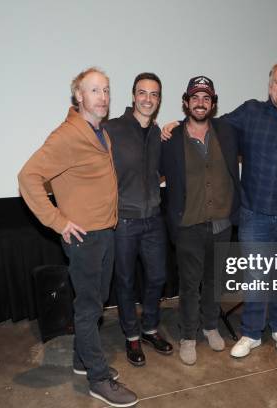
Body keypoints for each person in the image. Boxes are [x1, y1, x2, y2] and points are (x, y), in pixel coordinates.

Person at [18, 67, 138, 407]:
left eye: (106, 90)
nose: (102, 97)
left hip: (105, 231)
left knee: (96, 302)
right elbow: (28, 177)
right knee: (88, 308)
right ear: (79, 97)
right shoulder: (67, 135)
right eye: (94, 91)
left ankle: (82, 361)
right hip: (85, 237)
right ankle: (99, 380)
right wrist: (58, 221)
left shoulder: (100, 132)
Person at [221, 63, 277, 358]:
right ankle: (251, 333)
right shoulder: (250, 112)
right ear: (269, 86)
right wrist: (178, 126)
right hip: (255, 213)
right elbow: (213, 126)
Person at [161, 76, 241, 365]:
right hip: (188, 227)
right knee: (189, 285)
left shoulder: (228, 133)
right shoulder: (170, 139)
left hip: (221, 224)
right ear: (185, 102)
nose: (200, 103)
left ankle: (210, 327)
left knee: (214, 282)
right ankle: (188, 337)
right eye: (195, 97)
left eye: (206, 98)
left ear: (213, 104)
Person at [103, 73, 173, 367]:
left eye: (154, 94)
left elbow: (163, 169)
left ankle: (149, 329)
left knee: (158, 277)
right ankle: (132, 335)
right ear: (133, 96)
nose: (148, 99)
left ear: (158, 100)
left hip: (154, 219)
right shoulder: (112, 129)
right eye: (142, 93)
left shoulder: (159, 134)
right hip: (125, 223)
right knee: (126, 281)